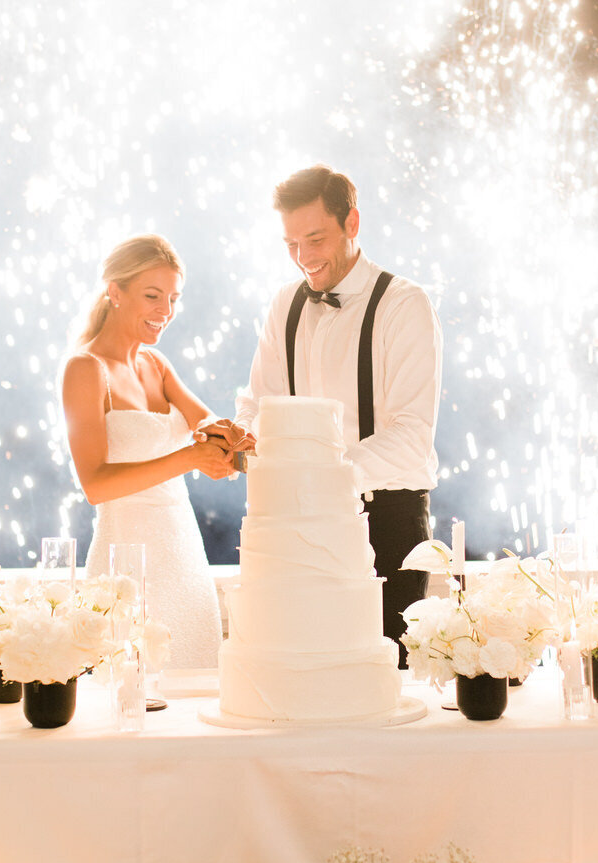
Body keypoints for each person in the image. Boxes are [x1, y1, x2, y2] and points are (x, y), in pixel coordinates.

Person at [234, 166, 442, 661]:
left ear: (352, 223)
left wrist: (321, 478)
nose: (304, 258)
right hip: (299, 524)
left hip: (387, 521)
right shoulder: (283, 304)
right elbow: (258, 404)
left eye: (315, 238)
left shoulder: (404, 304)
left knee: (383, 681)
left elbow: (411, 436)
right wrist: (242, 437)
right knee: (306, 679)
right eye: (290, 244)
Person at [61, 235, 236, 669]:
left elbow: (208, 425)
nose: (165, 311)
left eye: (173, 298)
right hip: (126, 563)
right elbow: (96, 486)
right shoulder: (85, 369)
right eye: (152, 296)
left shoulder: (156, 365)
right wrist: (191, 458)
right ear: (115, 292)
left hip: (183, 555)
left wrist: (235, 438)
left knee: (195, 680)